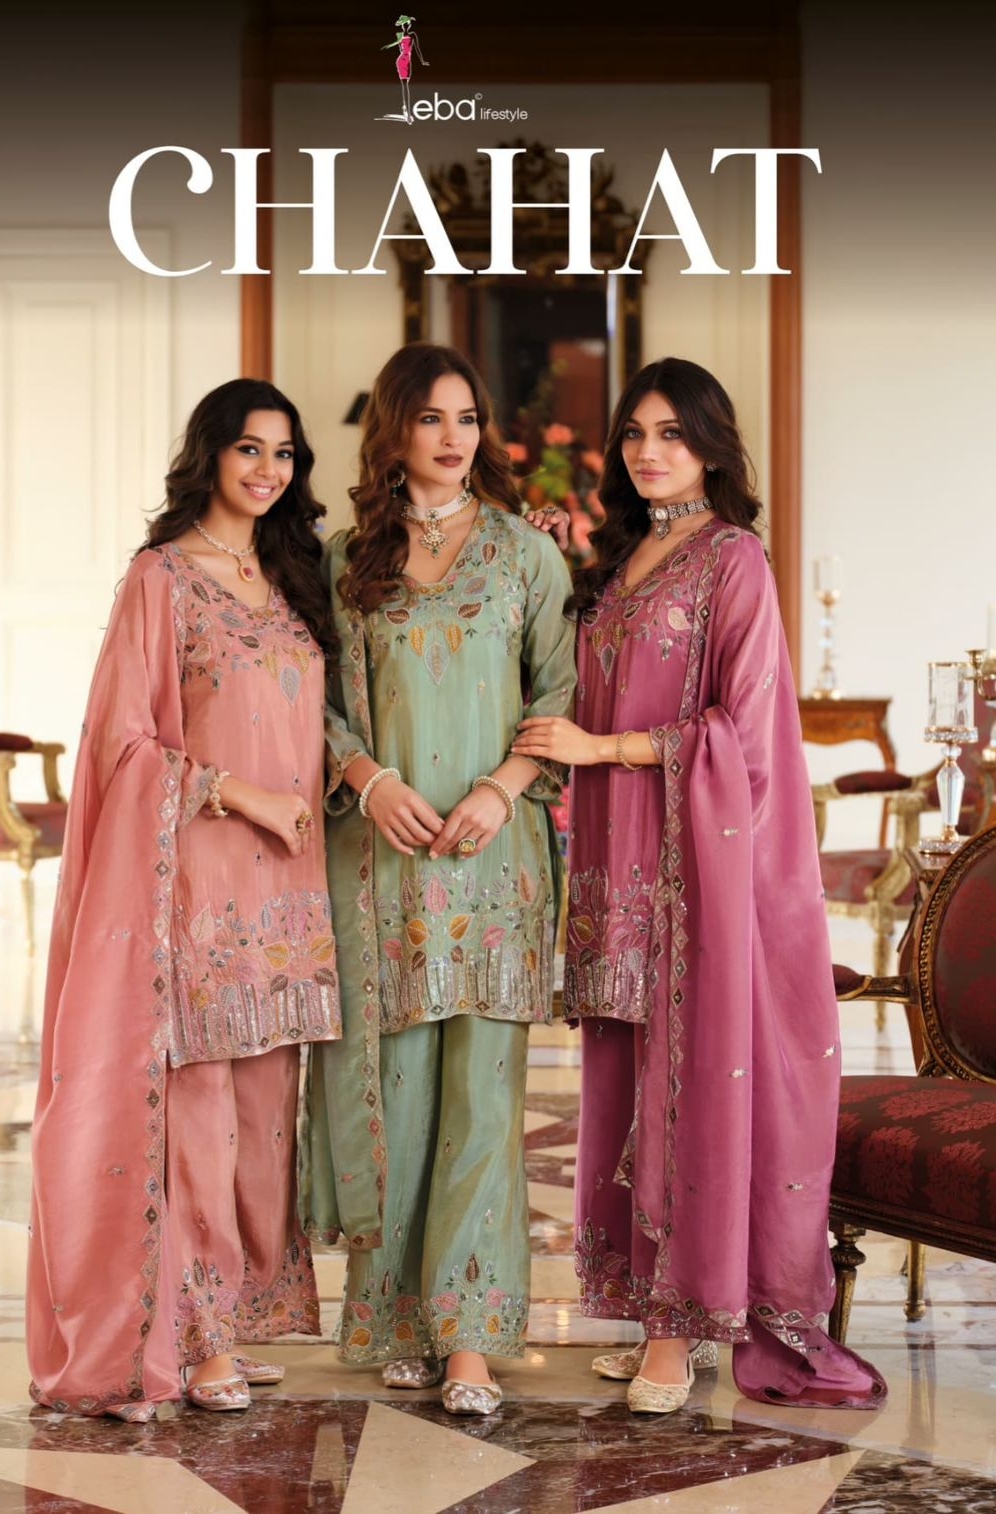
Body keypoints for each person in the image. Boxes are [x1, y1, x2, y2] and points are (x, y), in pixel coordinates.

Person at [513, 356, 887, 1414]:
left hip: (696, 871)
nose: (648, 451)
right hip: (614, 865)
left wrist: (604, 749)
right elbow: (581, 683)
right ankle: (650, 1306)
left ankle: (683, 1330)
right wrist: (548, 569)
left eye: (671, 433)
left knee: (689, 1082)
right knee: (629, 1081)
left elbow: (745, 730)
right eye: (635, 432)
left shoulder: (734, 559)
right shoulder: (621, 557)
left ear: (711, 447)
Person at [27, 380, 342, 1420]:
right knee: (200, 1112)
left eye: (284, 453)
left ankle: (237, 1313)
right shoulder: (158, 579)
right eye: (249, 449)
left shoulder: (291, 576)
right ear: (209, 455)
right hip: (198, 877)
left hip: (290, 889)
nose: (268, 470)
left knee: (265, 1111)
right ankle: (198, 1333)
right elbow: (122, 744)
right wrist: (238, 793)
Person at [301, 343, 576, 1415]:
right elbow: (314, 704)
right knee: (397, 1095)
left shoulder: (526, 555)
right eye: (430, 418)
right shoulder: (343, 559)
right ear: (394, 430)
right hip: (383, 862)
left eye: (467, 417)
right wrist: (366, 779)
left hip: (492, 863)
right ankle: (397, 1319)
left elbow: (557, 700)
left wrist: (503, 790)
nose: (454, 437)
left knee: (483, 1098)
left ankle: (470, 1336)